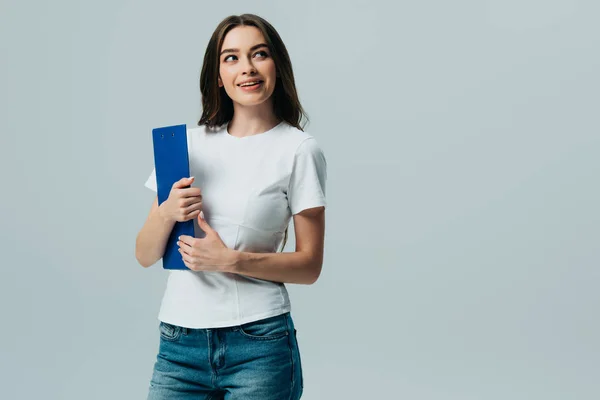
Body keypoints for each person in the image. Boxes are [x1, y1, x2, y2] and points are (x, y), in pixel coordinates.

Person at [135, 13, 327, 400]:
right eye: (232, 57)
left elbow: (310, 266)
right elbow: (144, 254)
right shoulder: (186, 144)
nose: (248, 68)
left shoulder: (298, 150)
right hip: (178, 344)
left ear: (277, 66)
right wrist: (167, 212)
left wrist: (230, 260)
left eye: (259, 54)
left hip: (259, 344)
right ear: (218, 76)